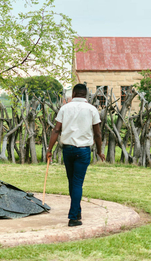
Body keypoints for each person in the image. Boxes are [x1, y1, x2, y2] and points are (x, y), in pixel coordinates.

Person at [46, 83, 105, 227]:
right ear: (86, 95)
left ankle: (77, 212)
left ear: (73, 94)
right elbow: (97, 133)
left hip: (68, 149)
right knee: (77, 183)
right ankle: (73, 217)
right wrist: (99, 150)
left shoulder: (65, 108)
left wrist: (49, 149)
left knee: (72, 182)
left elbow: (56, 130)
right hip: (83, 150)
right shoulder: (92, 109)